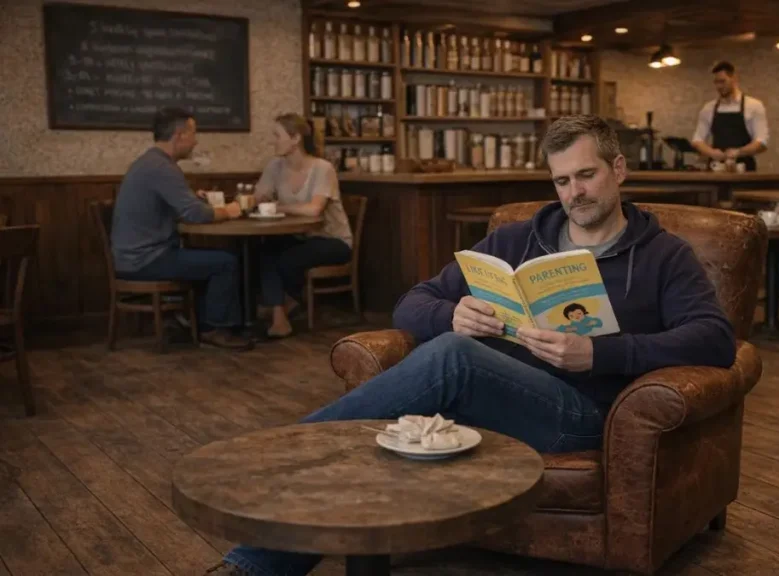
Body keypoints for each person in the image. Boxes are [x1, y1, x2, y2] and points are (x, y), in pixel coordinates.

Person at [205, 114, 736, 576]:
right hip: (491, 396)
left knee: (450, 359)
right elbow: (412, 303)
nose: (575, 192)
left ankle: (283, 454)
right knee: (388, 427)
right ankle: (256, 564)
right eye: (562, 180)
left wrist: (601, 353)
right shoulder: (516, 240)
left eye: (587, 175)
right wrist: (451, 313)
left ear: (618, 170)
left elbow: (715, 340)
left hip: (584, 412)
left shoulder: (665, 254)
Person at [111, 107, 252, 350]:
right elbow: (195, 214)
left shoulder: (150, 162)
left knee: (214, 259)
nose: (196, 141)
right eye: (193, 134)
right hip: (145, 259)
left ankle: (198, 323)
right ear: (179, 136)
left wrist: (192, 198)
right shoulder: (162, 168)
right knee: (225, 262)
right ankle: (215, 330)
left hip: (133, 256)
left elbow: (178, 205)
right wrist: (229, 211)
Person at [248, 113, 353, 338]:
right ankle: (279, 315)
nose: (272, 141)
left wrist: (278, 207)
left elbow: (314, 209)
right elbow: (257, 197)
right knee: (264, 250)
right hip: (299, 238)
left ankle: (290, 302)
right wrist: (258, 199)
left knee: (286, 258)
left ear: (295, 139)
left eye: (277, 135)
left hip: (332, 240)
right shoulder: (275, 166)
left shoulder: (322, 168)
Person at [690, 61, 769, 172]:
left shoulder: (754, 106)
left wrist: (739, 152)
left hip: (744, 169)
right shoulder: (708, 108)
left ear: (734, 79)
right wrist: (711, 152)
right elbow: (697, 140)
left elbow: (762, 142)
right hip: (716, 169)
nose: (719, 86)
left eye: (722, 81)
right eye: (716, 82)